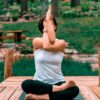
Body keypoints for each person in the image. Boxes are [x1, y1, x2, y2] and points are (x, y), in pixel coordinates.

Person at [21, 5, 79, 100]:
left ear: (55, 26)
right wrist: (46, 27)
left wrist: (48, 21)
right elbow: (46, 46)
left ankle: (40, 97)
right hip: (40, 83)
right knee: (26, 84)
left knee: (74, 90)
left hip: (58, 81)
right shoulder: (36, 41)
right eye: (45, 24)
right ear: (42, 27)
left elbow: (51, 42)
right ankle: (59, 90)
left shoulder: (61, 43)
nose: (47, 25)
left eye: (50, 24)